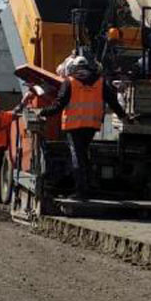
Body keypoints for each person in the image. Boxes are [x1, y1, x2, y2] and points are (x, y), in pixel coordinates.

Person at [42, 57, 130, 199]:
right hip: (91, 126)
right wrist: (123, 116)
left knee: (77, 157)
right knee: (83, 155)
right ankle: (90, 184)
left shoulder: (69, 82)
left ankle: (82, 190)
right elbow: (113, 102)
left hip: (73, 126)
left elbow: (59, 104)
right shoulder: (101, 83)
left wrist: (43, 112)